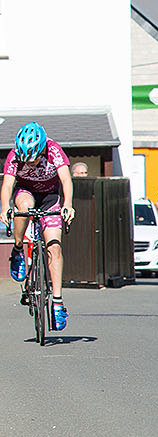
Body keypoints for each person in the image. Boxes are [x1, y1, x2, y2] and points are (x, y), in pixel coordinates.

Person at [3, 123, 76, 330]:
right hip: (25, 192)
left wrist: (68, 204)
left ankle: (57, 302)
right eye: (26, 159)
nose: (31, 163)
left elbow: (66, 179)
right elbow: (7, 184)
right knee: (25, 207)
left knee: (54, 247)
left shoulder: (54, 150)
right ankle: (18, 248)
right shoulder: (14, 155)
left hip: (50, 197)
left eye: (34, 158)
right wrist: (5, 207)